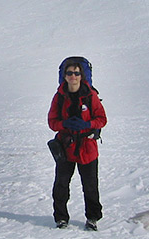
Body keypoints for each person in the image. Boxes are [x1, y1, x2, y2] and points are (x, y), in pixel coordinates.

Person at [47, 58, 107, 231]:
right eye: (69, 73)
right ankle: (61, 218)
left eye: (76, 73)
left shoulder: (90, 96)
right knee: (61, 184)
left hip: (87, 148)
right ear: (64, 76)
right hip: (66, 148)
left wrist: (88, 125)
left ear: (82, 76)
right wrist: (64, 124)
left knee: (90, 185)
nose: (73, 76)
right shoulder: (59, 97)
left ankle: (93, 217)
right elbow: (52, 122)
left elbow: (102, 119)